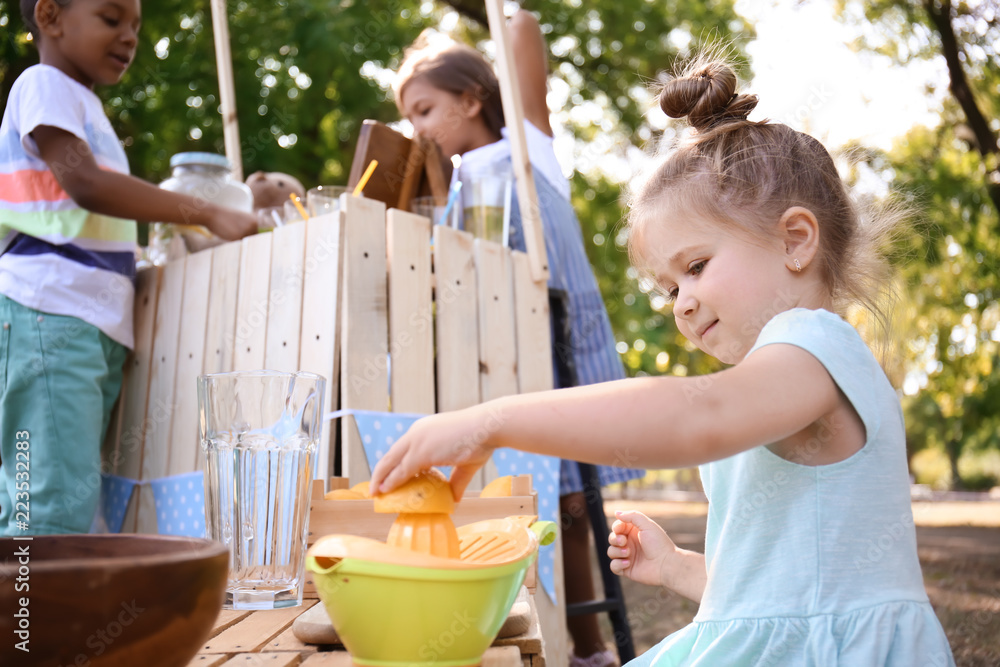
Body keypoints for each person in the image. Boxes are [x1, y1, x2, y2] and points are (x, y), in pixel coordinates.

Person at [372, 56, 957, 666]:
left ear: (795, 240)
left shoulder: (814, 346)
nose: (683, 304)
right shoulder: (782, 377)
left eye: (696, 266)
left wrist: (491, 421)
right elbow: (786, 594)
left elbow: (690, 417)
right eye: (670, 288)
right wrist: (680, 569)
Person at [394, 10, 644, 666]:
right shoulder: (457, 184)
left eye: (425, 110)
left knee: (569, 495)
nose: (416, 129)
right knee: (521, 487)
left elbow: (524, 25)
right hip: (498, 350)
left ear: (473, 98)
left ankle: (588, 648)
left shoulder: (529, 144)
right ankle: (525, 621)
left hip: (560, 340)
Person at [0, 0, 257, 536]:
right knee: (47, 503)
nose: (130, 36)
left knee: (66, 496)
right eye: (112, 19)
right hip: (48, 312)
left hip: (82, 323)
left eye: (136, 26)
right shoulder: (43, 84)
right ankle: (29, 618)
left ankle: (42, 612)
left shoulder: (85, 107)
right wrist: (207, 212)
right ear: (50, 16)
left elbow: (75, 216)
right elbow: (85, 184)